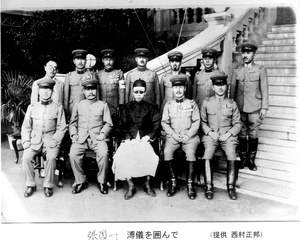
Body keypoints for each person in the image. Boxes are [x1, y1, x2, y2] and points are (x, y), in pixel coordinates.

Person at [112, 79, 161, 200]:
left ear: (145, 93)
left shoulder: (151, 108)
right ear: (133, 92)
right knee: (122, 156)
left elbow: (156, 124)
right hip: (129, 139)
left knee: (150, 156)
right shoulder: (125, 107)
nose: (139, 94)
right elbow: (120, 125)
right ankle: (131, 185)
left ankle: (147, 184)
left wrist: (148, 136)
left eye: (141, 91)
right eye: (136, 91)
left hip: (144, 140)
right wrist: (127, 137)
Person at [21, 78, 67, 197]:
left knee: (51, 158)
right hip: (34, 140)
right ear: (39, 91)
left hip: (51, 140)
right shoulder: (32, 107)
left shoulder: (58, 107)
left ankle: (48, 185)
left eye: (48, 89)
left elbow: (62, 127)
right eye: (43, 89)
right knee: (26, 157)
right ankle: (31, 184)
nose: (46, 92)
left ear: (52, 91)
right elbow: (26, 126)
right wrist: (26, 140)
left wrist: (56, 140)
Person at [68, 74, 113, 195]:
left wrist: (103, 134)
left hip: (97, 138)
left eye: (93, 89)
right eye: (88, 89)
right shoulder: (78, 105)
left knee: (104, 154)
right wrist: (73, 135)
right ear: (83, 90)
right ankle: (80, 181)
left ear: (96, 90)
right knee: (73, 154)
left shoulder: (103, 105)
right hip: (81, 138)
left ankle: (102, 181)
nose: (90, 92)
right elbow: (72, 123)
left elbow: (108, 123)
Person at [200, 74, 241, 200]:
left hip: (227, 135)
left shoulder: (232, 103)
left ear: (226, 86)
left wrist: (228, 134)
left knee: (231, 152)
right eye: (217, 85)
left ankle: (231, 187)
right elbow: (202, 122)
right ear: (213, 87)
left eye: (222, 85)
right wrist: (209, 132)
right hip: (211, 135)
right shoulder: (206, 103)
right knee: (208, 153)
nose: (220, 88)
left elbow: (238, 123)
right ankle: (208, 186)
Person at [230, 40, 269, 171]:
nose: (245, 55)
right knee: (241, 134)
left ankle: (251, 161)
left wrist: (264, 107)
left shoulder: (260, 69)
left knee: (253, 134)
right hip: (240, 108)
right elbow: (233, 91)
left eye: (248, 52)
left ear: (254, 54)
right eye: (244, 52)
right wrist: (232, 107)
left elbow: (264, 89)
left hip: (255, 108)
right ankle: (243, 159)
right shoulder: (237, 71)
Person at [161, 74, 200, 200]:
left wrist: (188, 135)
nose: (178, 90)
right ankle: (174, 183)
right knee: (167, 151)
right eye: (176, 87)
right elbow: (164, 123)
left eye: (181, 87)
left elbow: (197, 122)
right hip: (174, 137)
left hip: (189, 137)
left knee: (191, 153)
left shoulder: (192, 104)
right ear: (172, 89)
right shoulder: (168, 105)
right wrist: (172, 134)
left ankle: (190, 185)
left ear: (185, 89)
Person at [97, 49, 125, 136]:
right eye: (106, 59)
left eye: (111, 59)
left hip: (114, 109)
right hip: (101, 109)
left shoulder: (119, 73)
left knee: (116, 132)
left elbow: (122, 91)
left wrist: (120, 106)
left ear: (114, 60)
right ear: (102, 60)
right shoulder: (98, 74)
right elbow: (97, 91)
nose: (108, 62)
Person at [64, 49, 88, 121]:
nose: (80, 62)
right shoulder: (69, 76)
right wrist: (66, 113)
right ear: (74, 61)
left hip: (86, 109)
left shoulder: (91, 75)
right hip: (72, 109)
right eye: (78, 59)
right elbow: (66, 97)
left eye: (82, 59)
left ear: (86, 61)